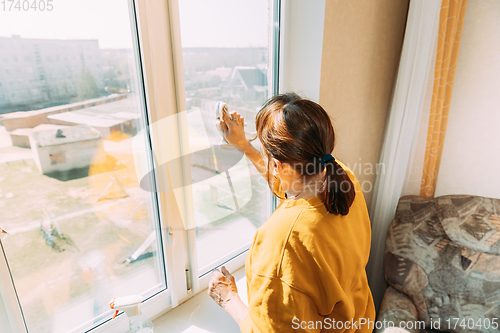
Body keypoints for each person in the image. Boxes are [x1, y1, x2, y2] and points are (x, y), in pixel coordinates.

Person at [208, 93, 375, 332]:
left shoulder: (284, 240)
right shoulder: (342, 179)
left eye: (270, 160)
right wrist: (245, 146)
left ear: (277, 165)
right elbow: (291, 183)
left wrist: (228, 298)